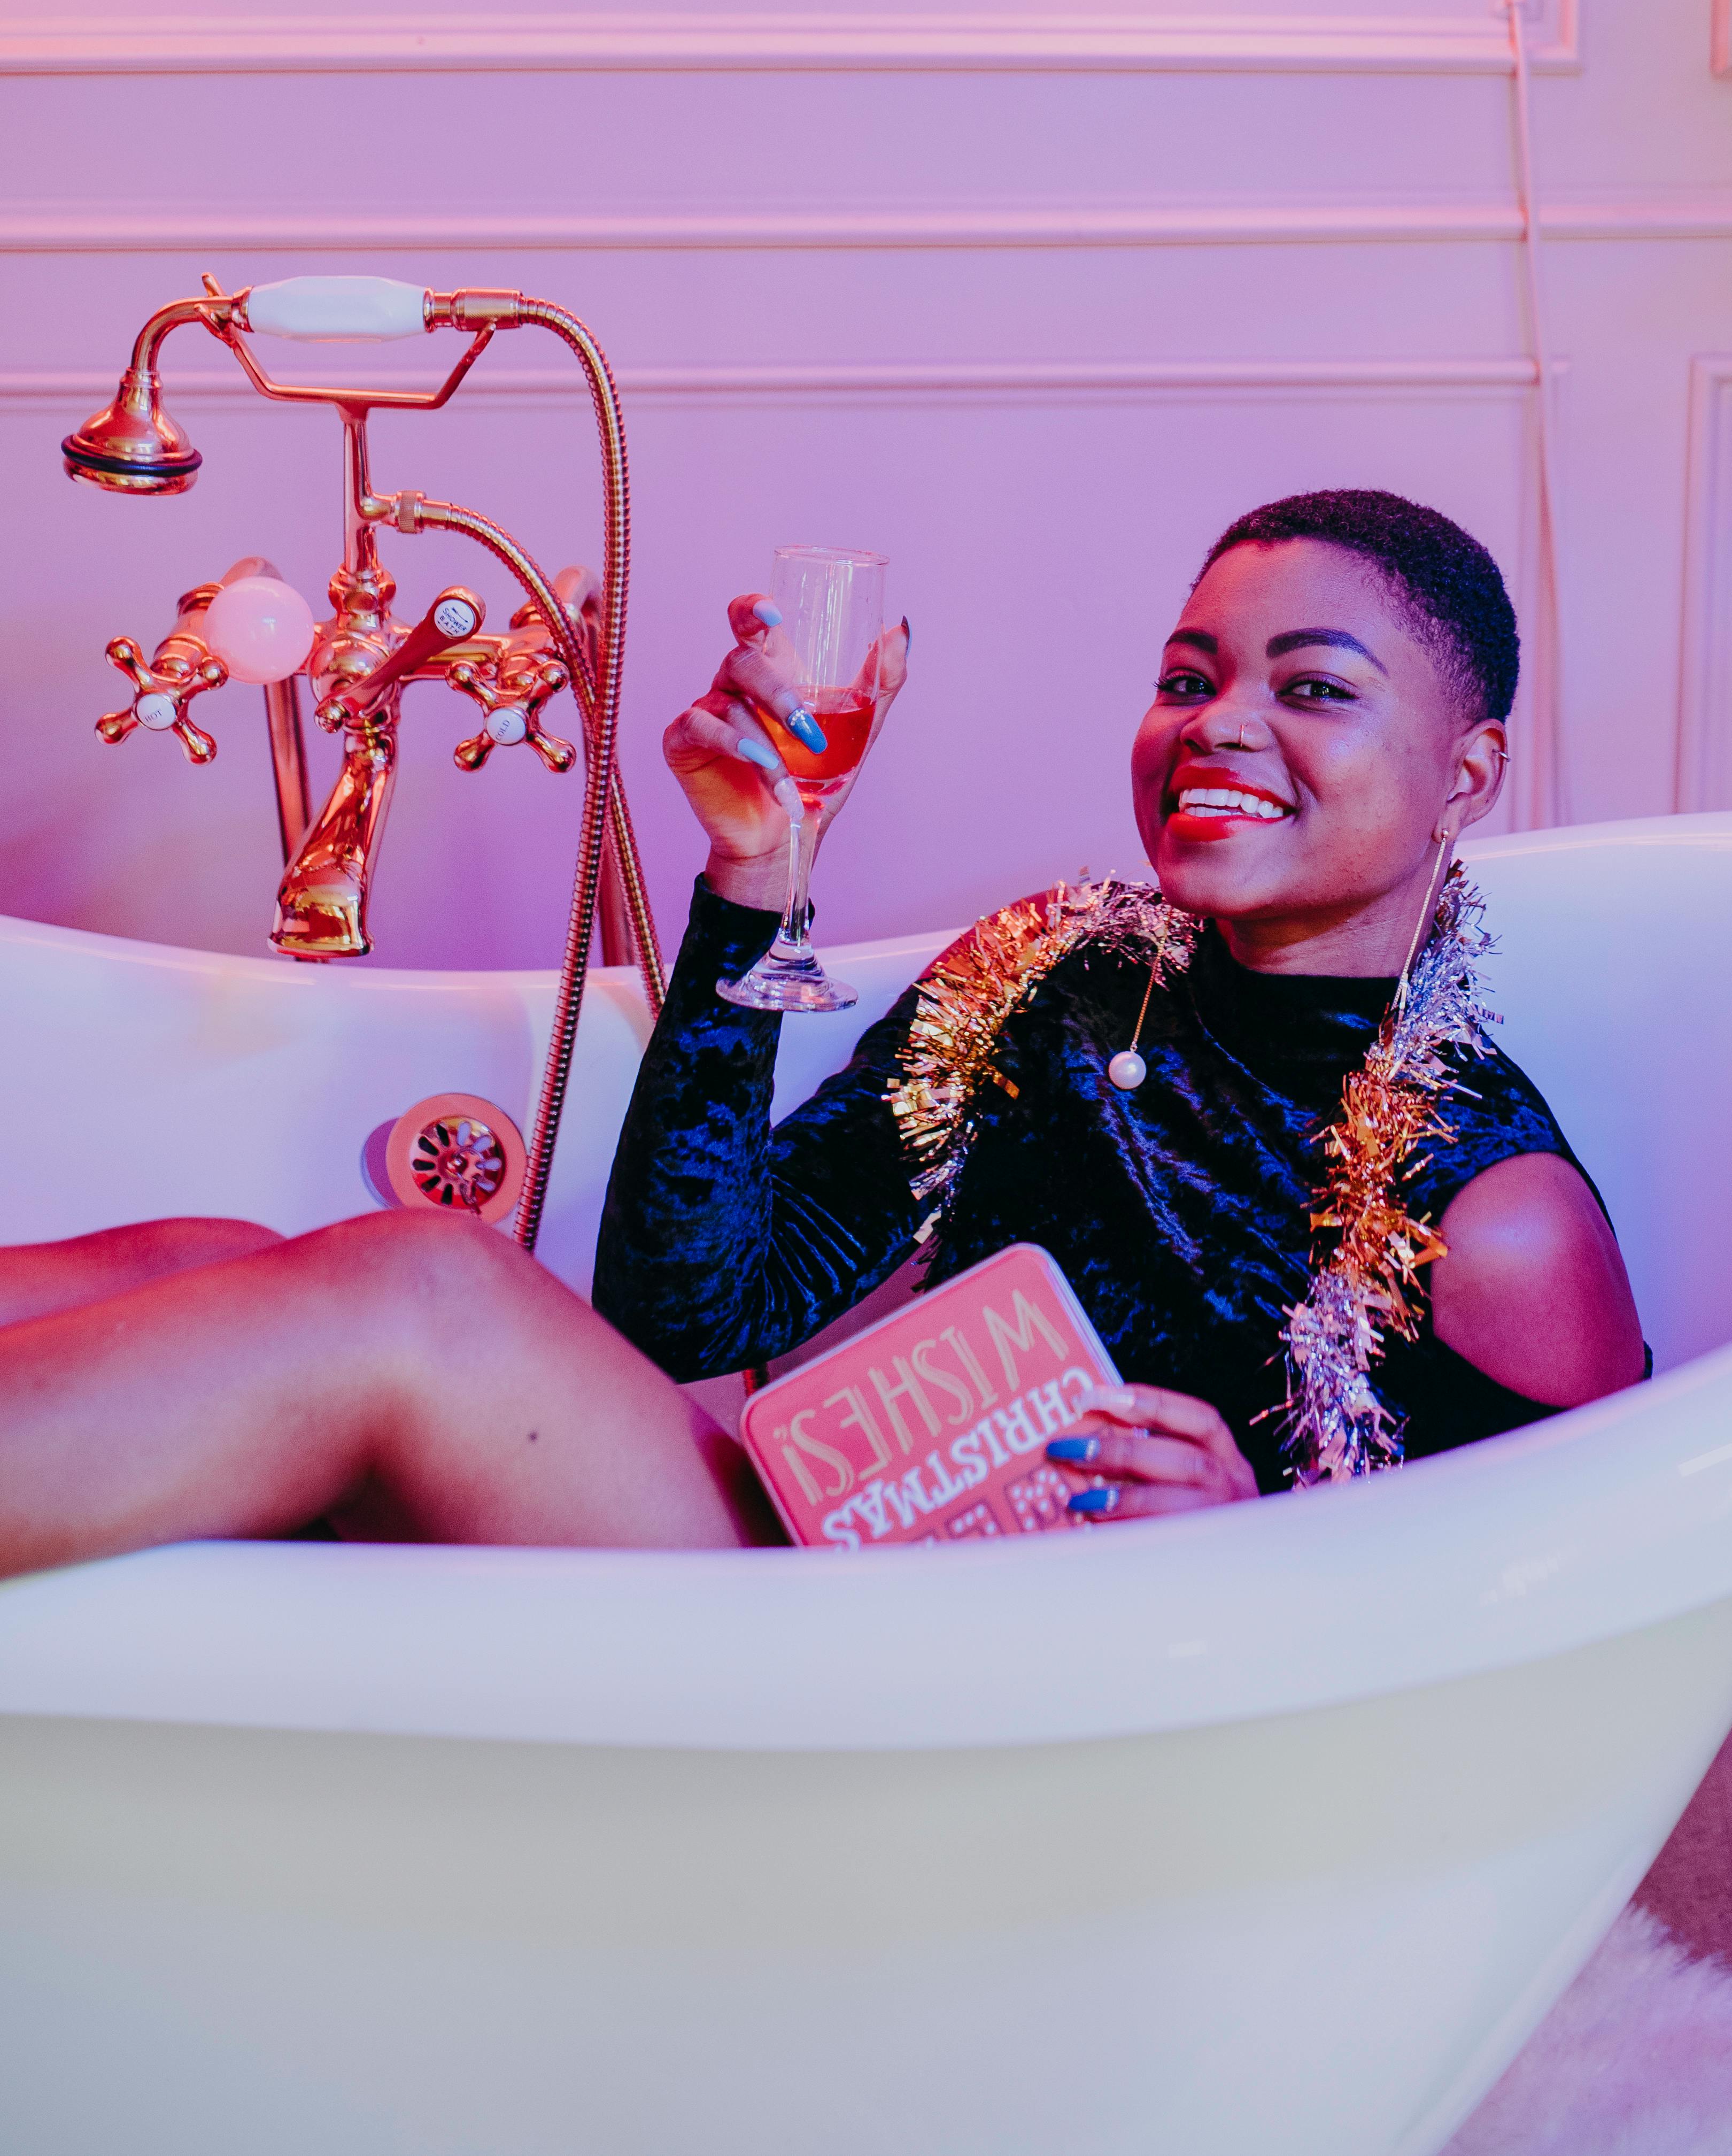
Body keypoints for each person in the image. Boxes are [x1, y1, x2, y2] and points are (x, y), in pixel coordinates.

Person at [0, 491, 1641, 1572]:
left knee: (419, 1289)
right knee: (210, 1249)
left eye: (1314, 687)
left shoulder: (1488, 1207)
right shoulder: (1056, 978)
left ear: (1469, 772)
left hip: (1042, 1732)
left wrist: (1246, 1527)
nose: (1219, 721)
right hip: (850, 1582)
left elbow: (1553, 1623)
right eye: (1188, 672)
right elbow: (695, 1307)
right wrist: (754, 877)